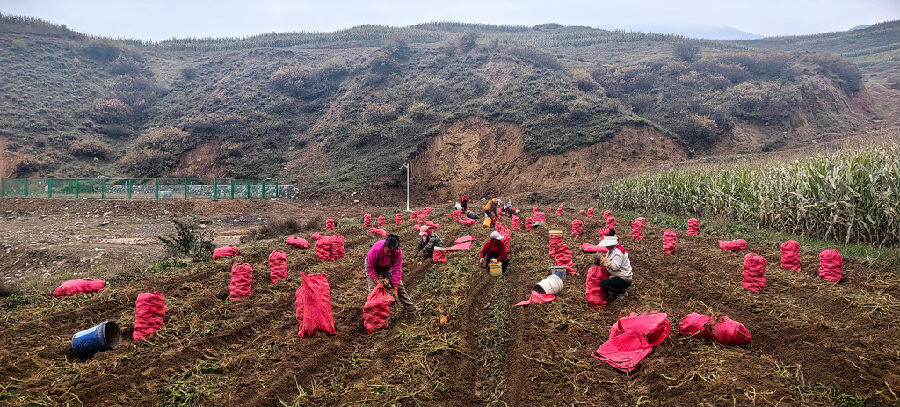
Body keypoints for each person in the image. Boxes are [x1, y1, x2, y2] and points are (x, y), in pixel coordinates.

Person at [365, 234, 417, 313]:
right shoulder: (376, 250)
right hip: (373, 267)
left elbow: (397, 270)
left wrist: (395, 289)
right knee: (373, 291)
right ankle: (373, 314)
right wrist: (376, 281)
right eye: (388, 252)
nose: (389, 254)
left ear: (396, 250)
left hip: (386, 268)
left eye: (391, 253)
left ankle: (411, 309)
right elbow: (370, 267)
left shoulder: (398, 253)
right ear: (385, 247)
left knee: (400, 286)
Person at [595, 230, 632, 302]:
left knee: (604, 283)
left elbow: (615, 267)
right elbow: (607, 262)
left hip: (624, 278)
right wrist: (599, 262)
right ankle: (616, 292)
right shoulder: (610, 251)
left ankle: (622, 292)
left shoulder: (618, 252)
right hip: (616, 275)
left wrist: (602, 259)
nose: (606, 246)